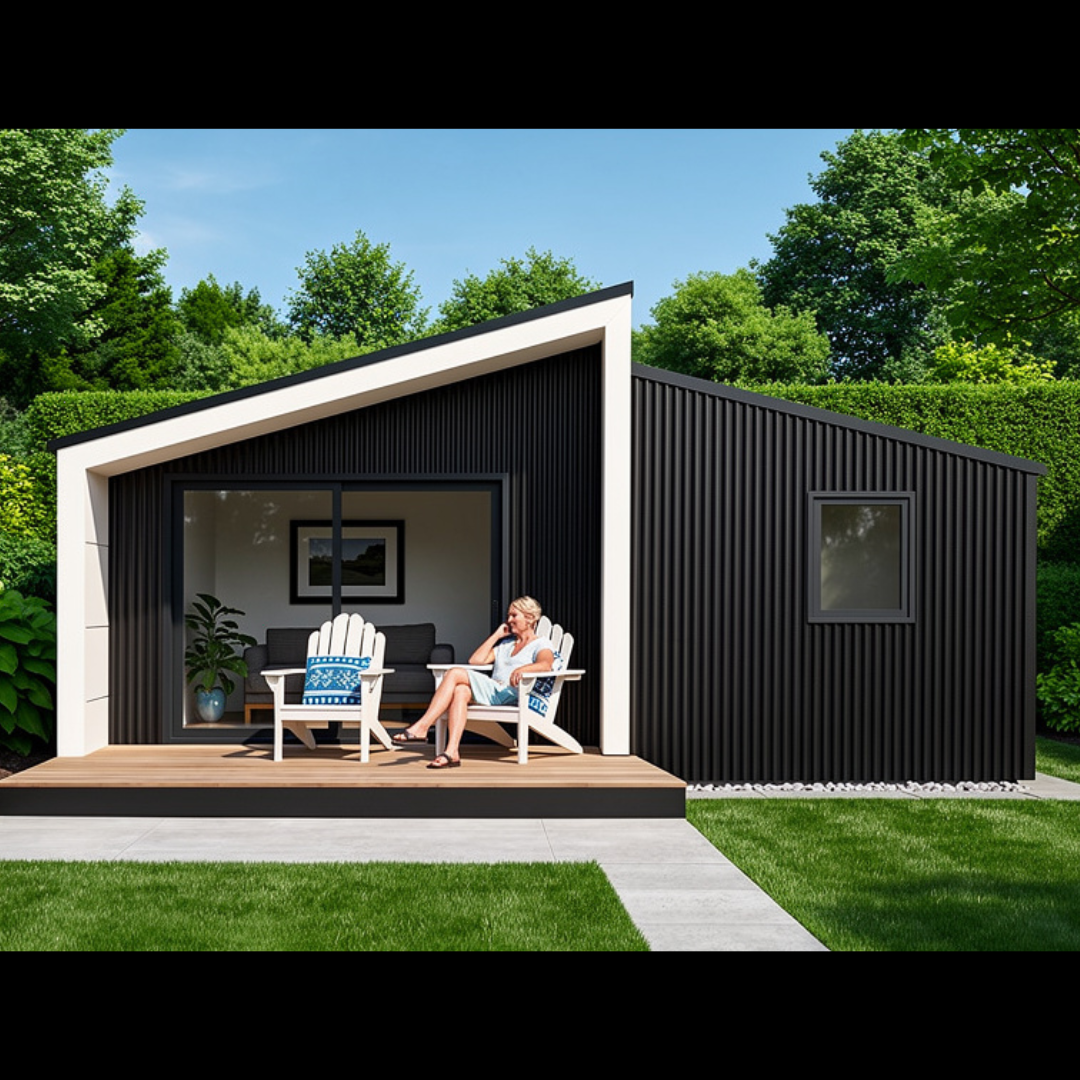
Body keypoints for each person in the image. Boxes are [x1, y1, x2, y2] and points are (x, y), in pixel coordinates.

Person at [392, 596, 556, 769]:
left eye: (514, 616)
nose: (509, 620)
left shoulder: (540, 643)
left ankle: (422, 726)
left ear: (530, 618)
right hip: (494, 691)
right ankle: (451, 752)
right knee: (460, 690)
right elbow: (476, 660)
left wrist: (524, 669)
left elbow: (545, 664)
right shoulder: (506, 645)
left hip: (511, 693)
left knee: (454, 673)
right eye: (508, 616)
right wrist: (497, 635)